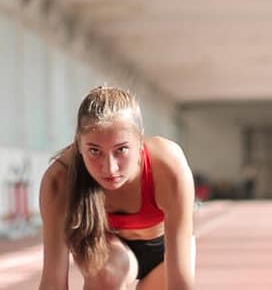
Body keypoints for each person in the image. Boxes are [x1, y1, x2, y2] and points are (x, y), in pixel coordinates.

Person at [38, 85, 196, 290]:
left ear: (140, 141)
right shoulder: (59, 180)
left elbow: (181, 283)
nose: (109, 168)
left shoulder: (168, 168)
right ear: (78, 144)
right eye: (94, 151)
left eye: (121, 149)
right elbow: (53, 281)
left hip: (165, 253)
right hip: (106, 251)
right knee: (107, 273)